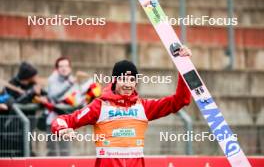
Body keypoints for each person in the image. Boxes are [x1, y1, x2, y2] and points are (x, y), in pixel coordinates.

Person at [51, 47, 192, 167]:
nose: (128, 84)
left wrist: (184, 66)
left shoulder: (144, 106)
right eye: (123, 79)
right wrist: (61, 129)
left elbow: (180, 100)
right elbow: (64, 120)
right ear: (114, 80)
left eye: (132, 80)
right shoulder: (99, 106)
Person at [46, 57, 100, 156]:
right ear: (57, 69)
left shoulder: (73, 80)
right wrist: (70, 83)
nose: (64, 68)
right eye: (61, 66)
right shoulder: (53, 80)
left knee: (65, 153)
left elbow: (77, 98)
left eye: (66, 66)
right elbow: (53, 95)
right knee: (52, 153)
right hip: (53, 123)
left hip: (67, 123)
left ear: (70, 68)